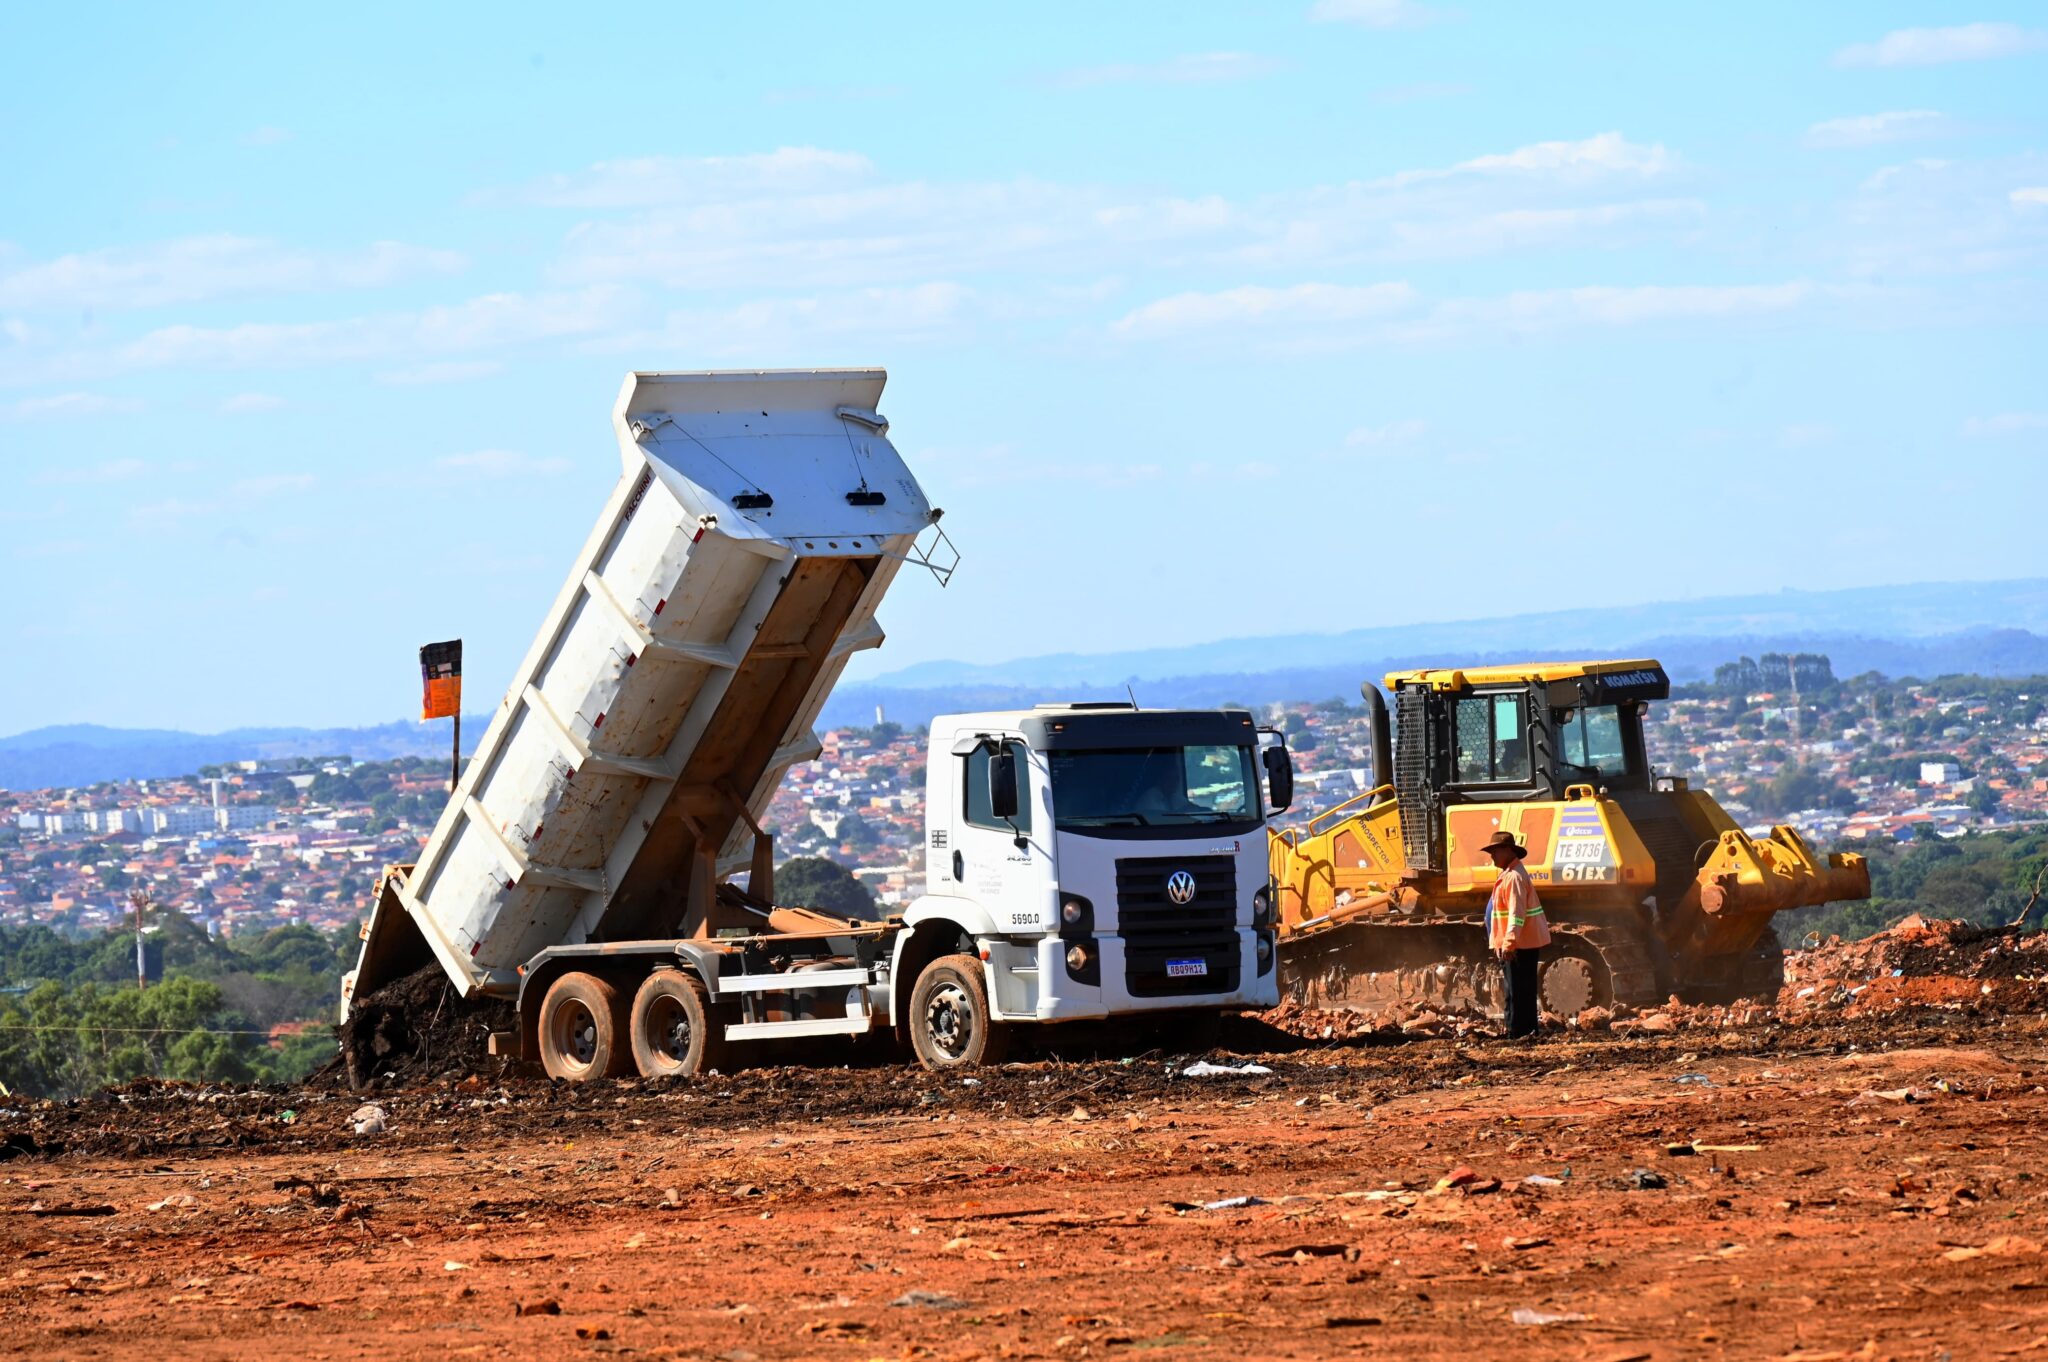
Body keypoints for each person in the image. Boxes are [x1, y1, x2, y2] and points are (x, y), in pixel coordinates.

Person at [1481, 830, 1550, 1038]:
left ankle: (1517, 1033)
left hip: (1519, 945)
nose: (1491, 855)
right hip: (1520, 943)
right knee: (1521, 990)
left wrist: (1509, 943)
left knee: (1517, 992)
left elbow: (1516, 914)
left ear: (1508, 850)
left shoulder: (1513, 877)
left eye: (1495, 851)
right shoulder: (1510, 874)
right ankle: (1526, 1032)